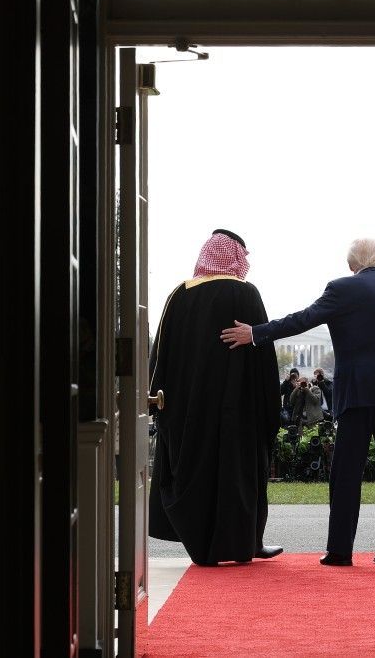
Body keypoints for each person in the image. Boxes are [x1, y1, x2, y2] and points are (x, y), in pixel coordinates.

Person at [222, 238, 375, 566]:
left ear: (351, 264)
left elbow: (302, 319)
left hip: (359, 391)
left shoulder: (342, 289)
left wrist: (256, 333)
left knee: (347, 471)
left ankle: (340, 550)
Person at [147, 229, 284, 566]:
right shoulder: (246, 293)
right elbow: (264, 356)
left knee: (197, 470)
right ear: (234, 257)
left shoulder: (179, 295)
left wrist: (156, 398)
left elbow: (160, 354)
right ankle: (248, 543)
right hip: (239, 406)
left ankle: (203, 548)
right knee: (240, 474)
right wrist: (270, 405)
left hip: (188, 407)